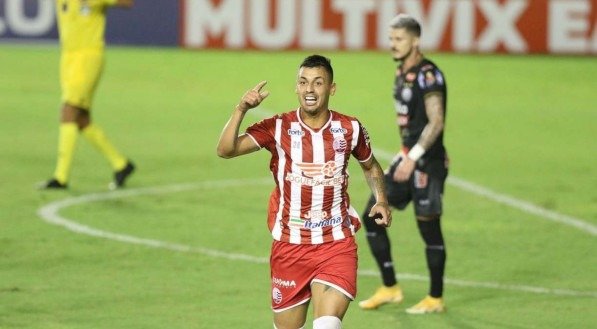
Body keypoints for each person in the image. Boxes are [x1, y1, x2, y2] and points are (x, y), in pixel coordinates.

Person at [217, 55, 392, 329]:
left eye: (318, 83)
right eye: (303, 82)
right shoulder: (277, 127)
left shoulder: (349, 128)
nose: (310, 89)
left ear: (331, 88)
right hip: (290, 246)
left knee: (327, 326)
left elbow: (370, 166)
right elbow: (225, 150)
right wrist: (241, 109)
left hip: (336, 243)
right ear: (296, 88)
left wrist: (381, 199)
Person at [358, 14, 449, 314]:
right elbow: (411, 126)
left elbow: (436, 122)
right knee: (372, 216)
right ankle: (390, 287)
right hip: (407, 159)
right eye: (391, 39)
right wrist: (402, 155)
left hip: (428, 165)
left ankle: (435, 298)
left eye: (399, 39)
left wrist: (413, 156)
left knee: (429, 230)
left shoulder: (429, 75)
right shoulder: (402, 73)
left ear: (416, 40)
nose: (392, 45)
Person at [40, 0, 135, 190]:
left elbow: (128, 3)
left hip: (88, 57)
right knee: (81, 119)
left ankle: (61, 177)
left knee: (69, 110)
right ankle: (121, 164)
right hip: (68, 57)